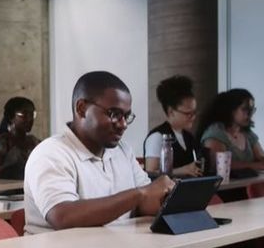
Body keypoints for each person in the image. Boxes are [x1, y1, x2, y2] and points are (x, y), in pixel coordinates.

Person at [24, 71, 174, 234]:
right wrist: (139, 194)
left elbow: (146, 201)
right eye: (114, 114)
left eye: (126, 116)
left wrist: (169, 196)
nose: (123, 124)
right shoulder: (51, 153)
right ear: (81, 109)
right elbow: (62, 216)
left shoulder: (122, 151)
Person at [198, 88, 264, 171]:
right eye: (245, 109)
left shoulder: (247, 133)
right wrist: (258, 165)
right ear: (231, 110)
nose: (250, 114)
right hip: (229, 186)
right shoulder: (216, 133)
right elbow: (219, 165)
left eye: (252, 110)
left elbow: (262, 157)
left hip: (249, 182)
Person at [144, 75, 203, 177]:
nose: (193, 117)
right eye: (188, 113)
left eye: (194, 112)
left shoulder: (188, 137)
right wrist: (182, 170)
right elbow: (151, 172)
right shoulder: (157, 137)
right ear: (171, 111)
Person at [0, 97, 41, 178]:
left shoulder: (34, 142)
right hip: (7, 188)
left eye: (32, 114)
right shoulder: (1, 142)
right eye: (24, 114)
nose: (30, 119)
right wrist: (15, 170)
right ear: (11, 117)